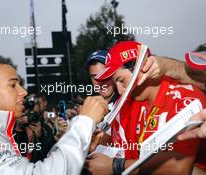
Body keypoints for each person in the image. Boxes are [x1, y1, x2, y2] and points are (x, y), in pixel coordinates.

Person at [0, 61, 108, 175]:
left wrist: (82, 146)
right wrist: (84, 122)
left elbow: (35, 168)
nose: (23, 91)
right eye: (13, 85)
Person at [87, 41, 206, 175]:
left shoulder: (185, 98)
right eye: (115, 83)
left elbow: (179, 168)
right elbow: (111, 139)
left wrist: (116, 166)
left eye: (121, 80)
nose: (120, 90)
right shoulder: (126, 103)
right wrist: (91, 143)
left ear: (144, 67)